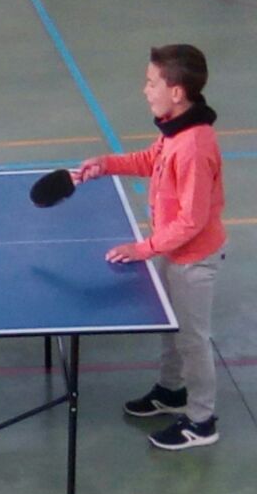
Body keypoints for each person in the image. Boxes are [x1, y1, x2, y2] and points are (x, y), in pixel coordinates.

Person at [71, 44, 226, 451]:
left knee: (192, 340)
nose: (145, 89)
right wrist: (106, 164)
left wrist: (145, 248)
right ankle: (172, 391)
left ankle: (201, 420)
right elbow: (149, 160)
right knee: (171, 330)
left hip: (194, 260)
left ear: (176, 92)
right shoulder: (174, 129)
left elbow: (192, 220)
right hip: (174, 252)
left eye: (151, 82)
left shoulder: (193, 146)